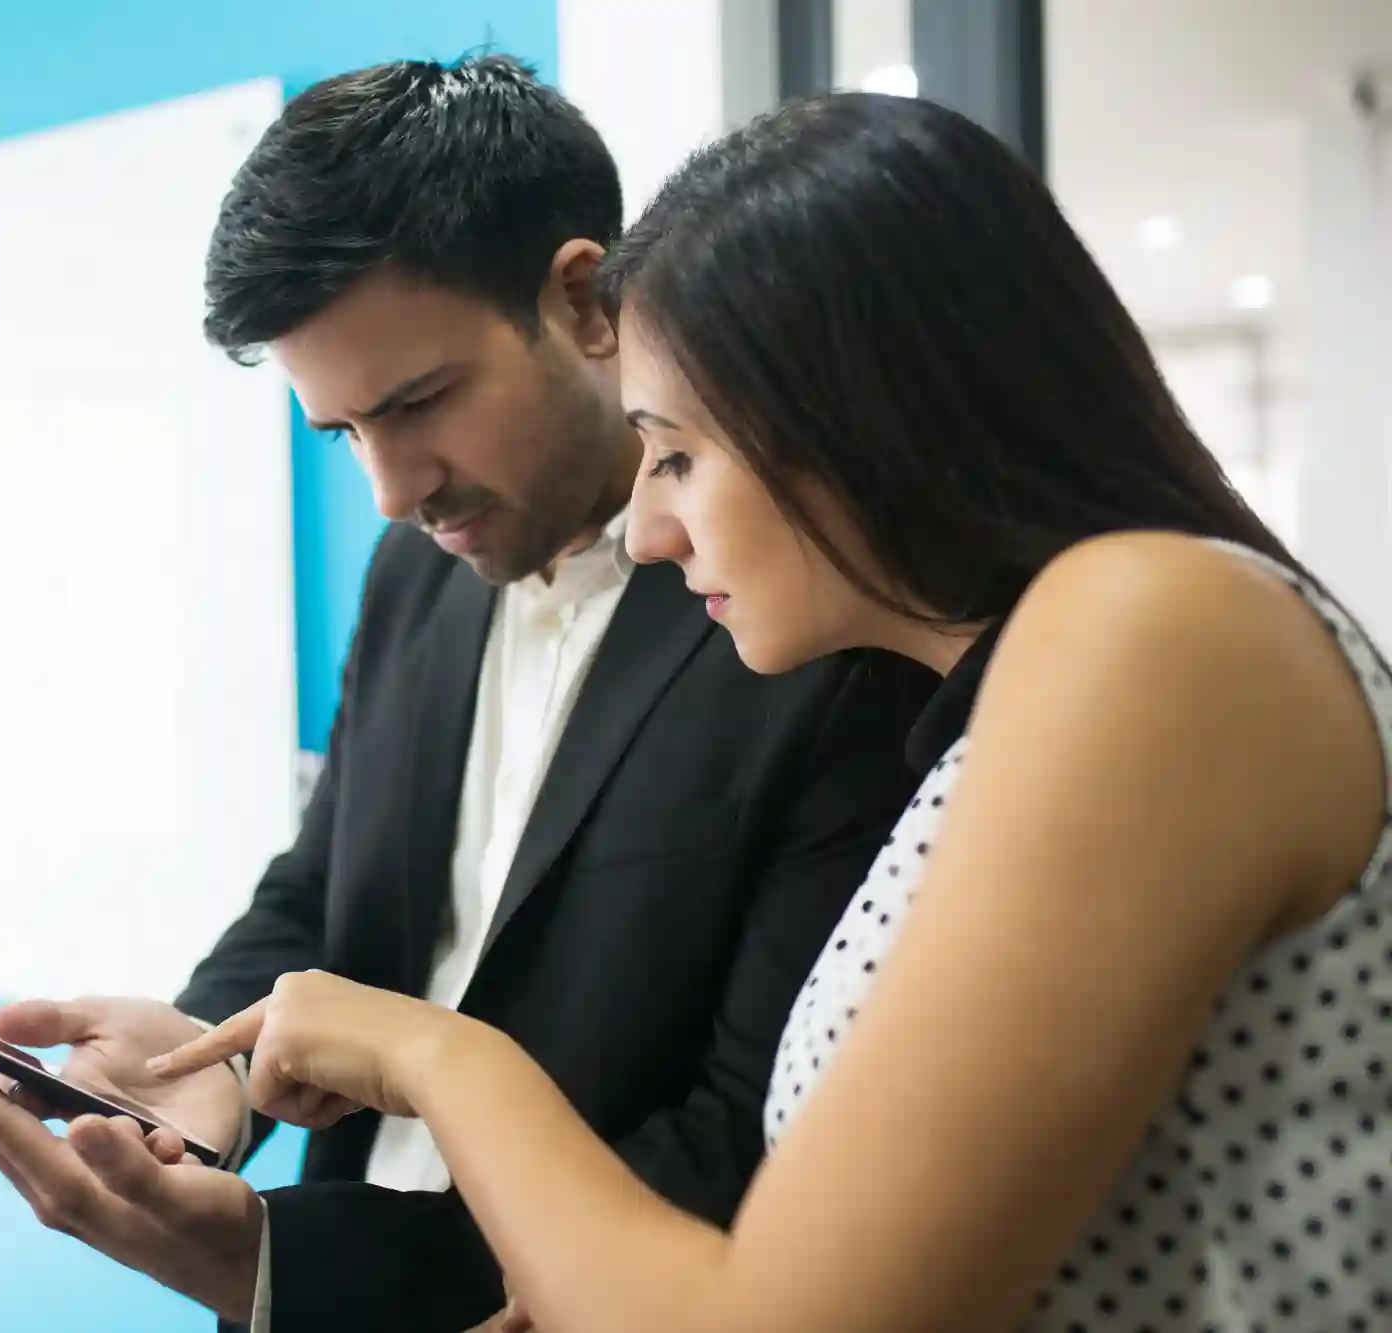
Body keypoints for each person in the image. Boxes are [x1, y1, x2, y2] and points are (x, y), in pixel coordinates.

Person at [146, 92, 1392, 1333]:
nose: (646, 526)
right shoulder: (1053, 679)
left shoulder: (1150, 633)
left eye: (675, 453)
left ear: (856, 413)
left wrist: (434, 1056)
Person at [0, 57, 935, 1332]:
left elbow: (743, 1151)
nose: (391, 490)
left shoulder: (816, 626)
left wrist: (287, 1263)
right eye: (342, 434)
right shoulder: (413, 573)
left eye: (420, 402)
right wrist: (194, 1063)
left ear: (579, 298)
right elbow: (326, 884)